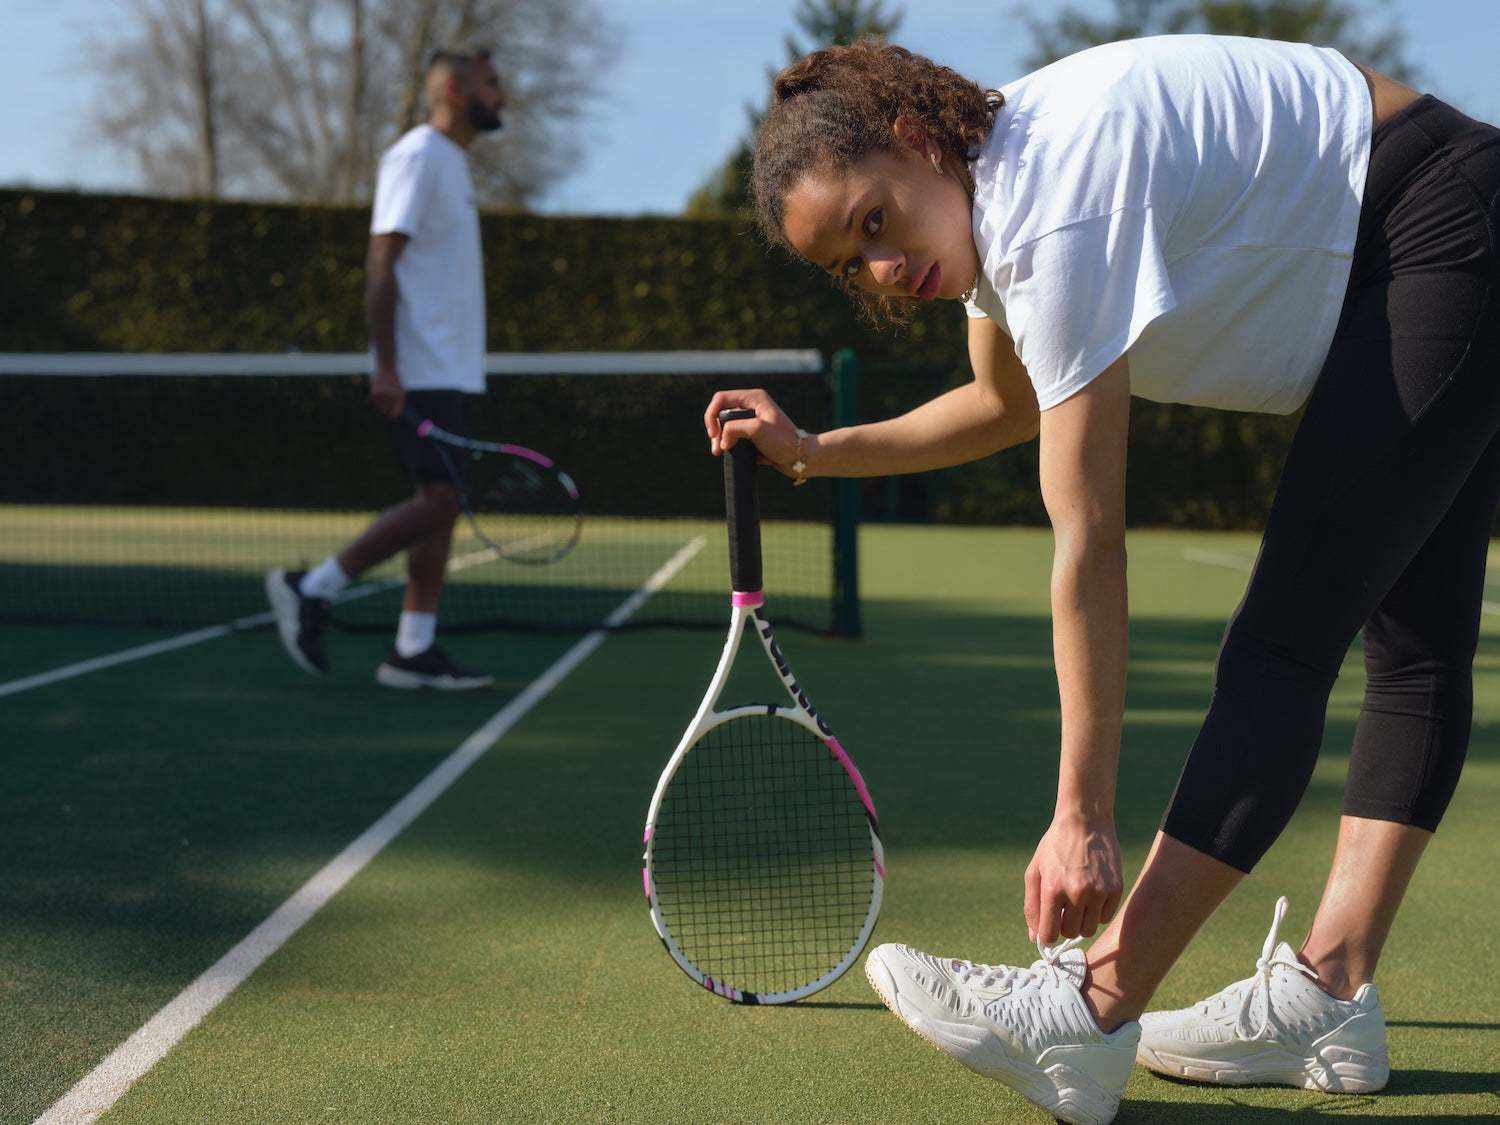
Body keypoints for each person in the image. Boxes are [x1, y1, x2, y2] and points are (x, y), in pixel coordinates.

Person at [705, 34, 1500, 1125]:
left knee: (1285, 637)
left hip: (1440, 225)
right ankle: (1330, 991)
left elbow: (1091, 537)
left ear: (912, 139)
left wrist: (1082, 813)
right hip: (1448, 226)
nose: (884, 271)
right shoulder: (994, 208)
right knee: (1414, 642)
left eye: (876, 224)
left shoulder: (1055, 197)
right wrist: (816, 450)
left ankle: (1090, 1008)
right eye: (852, 264)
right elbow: (1005, 405)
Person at [267, 48, 505, 691]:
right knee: (440, 498)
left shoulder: (452, 163)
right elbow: (381, 264)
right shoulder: (417, 156)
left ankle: (412, 650)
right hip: (420, 369)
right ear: (454, 89)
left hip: (450, 370)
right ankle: (313, 587)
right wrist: (387, 367)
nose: (500, 95)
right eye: (490, 83)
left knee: (444, 507)